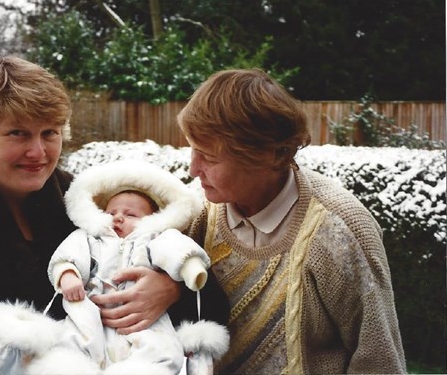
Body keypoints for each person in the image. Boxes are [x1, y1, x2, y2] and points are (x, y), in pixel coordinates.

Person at [0, 56, 178, 375]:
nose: (38, 152)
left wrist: (171, 289)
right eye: (18, 133)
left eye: (49, 132)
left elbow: (196, 288)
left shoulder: (96, 212)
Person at [171, 68, 407, 374]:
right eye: (193, 150)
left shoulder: (340, 230)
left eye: (210, 158)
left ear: (269, 156)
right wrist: (169, 286)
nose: (193, 169)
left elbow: (379, 361)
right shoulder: (198, 210)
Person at [0, 160, 229, 375]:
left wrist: (190, 267)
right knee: (73, 338)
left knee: (159, 347)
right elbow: (68, 256)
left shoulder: (155, 238)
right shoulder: (90, 238)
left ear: (153, 220)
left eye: (130, 214)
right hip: (91, 309)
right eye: (112, 212)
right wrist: (67, 275)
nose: (118, 217)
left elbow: (177, 249)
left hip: (143, 320)